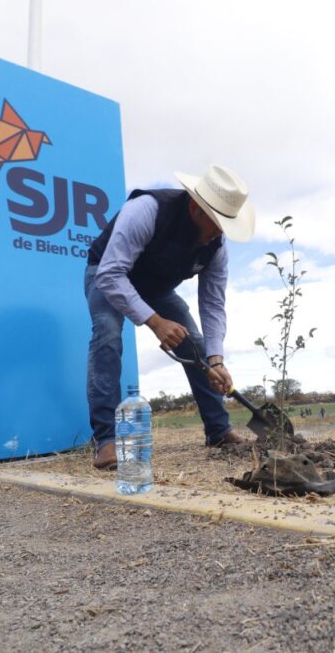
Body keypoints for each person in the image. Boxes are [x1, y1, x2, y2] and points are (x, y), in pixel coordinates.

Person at [84, 165, 256, 469]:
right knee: (108, 336)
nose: (219, 233)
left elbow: (213, 304)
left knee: (196, 346)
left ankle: (218, 430)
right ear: (195, 207)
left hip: (156, 288)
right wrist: (155, 321)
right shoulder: (147, 210)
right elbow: (112, 274)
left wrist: (216, 359)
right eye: (216, 223)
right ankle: (107, 440)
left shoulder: (216, 247)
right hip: (107, 273)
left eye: (225, 226)